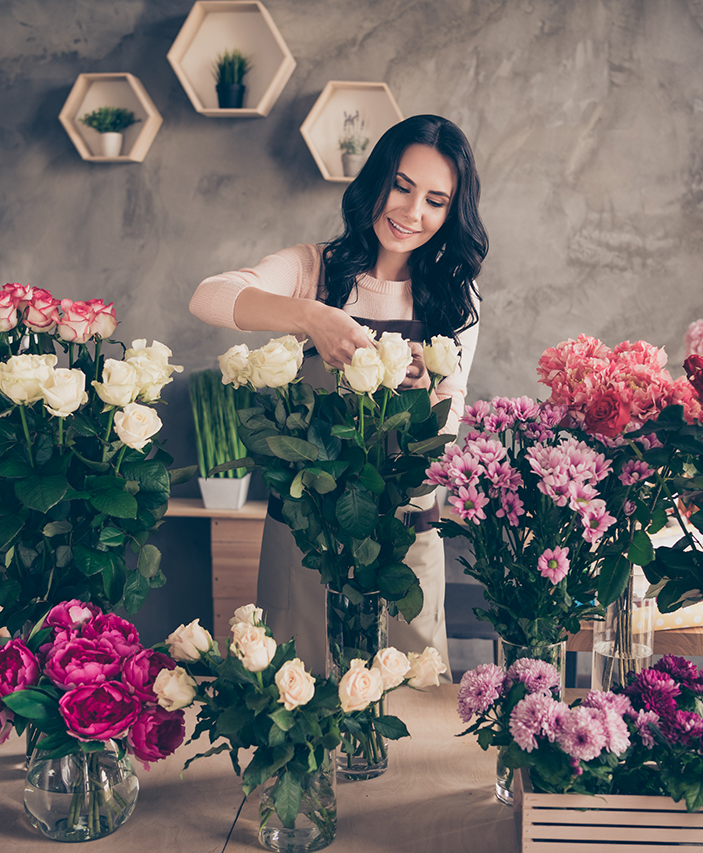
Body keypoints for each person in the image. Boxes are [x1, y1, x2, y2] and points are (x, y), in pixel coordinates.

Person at [189, 114, 487, 678]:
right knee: (299, 688)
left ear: (453, 211)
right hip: (307, 527)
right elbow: (210, 296)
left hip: (402, 529)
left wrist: (423, 400)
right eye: (401, 186)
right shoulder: (314, 269)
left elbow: (450, 423)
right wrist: (311, 315)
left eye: (435, 199)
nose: (411, 212)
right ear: (375, 181)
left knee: (406, 700)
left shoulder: (456, 296)